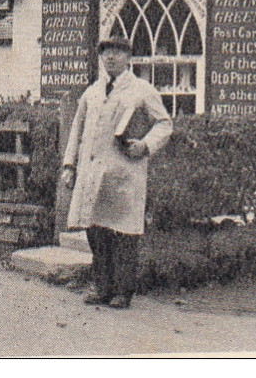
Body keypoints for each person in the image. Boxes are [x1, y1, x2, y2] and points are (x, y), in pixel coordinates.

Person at [61, 34, 172, 309]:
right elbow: (76, 130)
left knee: (123, 234)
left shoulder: (142, 90)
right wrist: (69, 165)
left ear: (129, 58)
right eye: (106, 52)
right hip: (92, 172)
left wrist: (145, 145)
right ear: (101, 57)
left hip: (124, 172)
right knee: (96, 232)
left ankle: (123, 291)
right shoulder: (92, 92)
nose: (111, 57)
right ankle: (101, 286)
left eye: (118, 53)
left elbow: (164, 124)